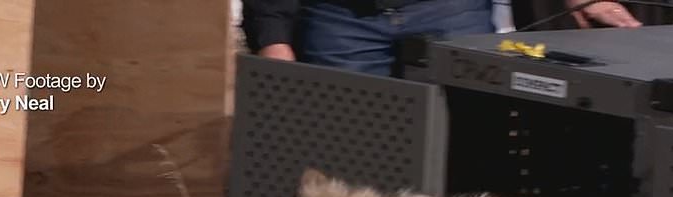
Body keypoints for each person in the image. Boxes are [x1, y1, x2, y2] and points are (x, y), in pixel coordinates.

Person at [241, 0, 642, 77]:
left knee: (464, 161)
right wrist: (273, 36)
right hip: (342, 22)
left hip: (451, 14)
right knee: (349, 170)